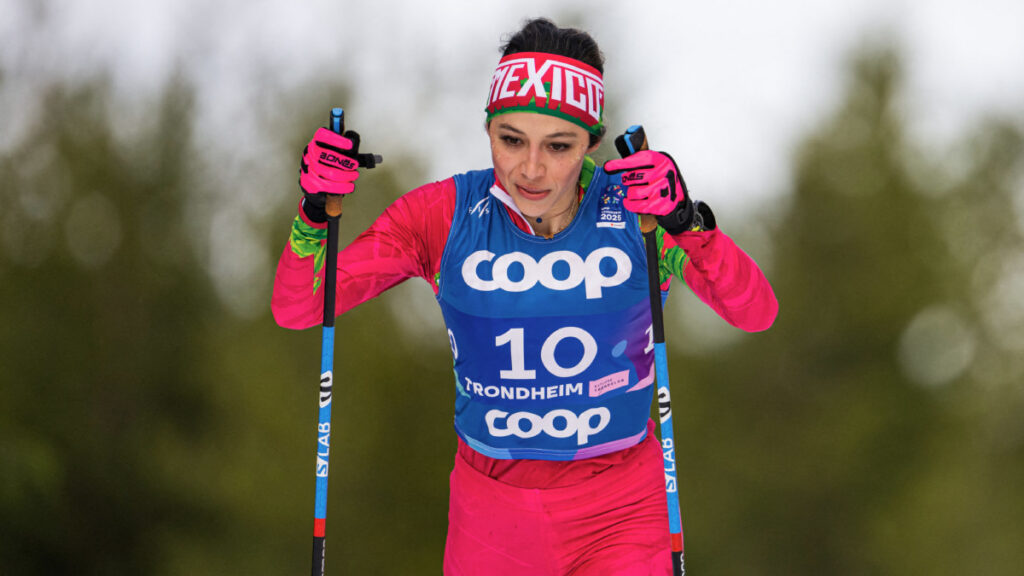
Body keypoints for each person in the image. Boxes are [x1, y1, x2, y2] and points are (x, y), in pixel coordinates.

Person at [273, 17, 777, 576]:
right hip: (492, 516)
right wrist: (315, 212)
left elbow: (754, 310)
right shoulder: (442, 216)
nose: (531, 170)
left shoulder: (637, 211)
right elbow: (300, 307)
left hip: (621, 509)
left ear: (590, 141)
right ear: (488, 128)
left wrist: (684, 222)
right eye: (511, 140)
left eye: (558, 146)